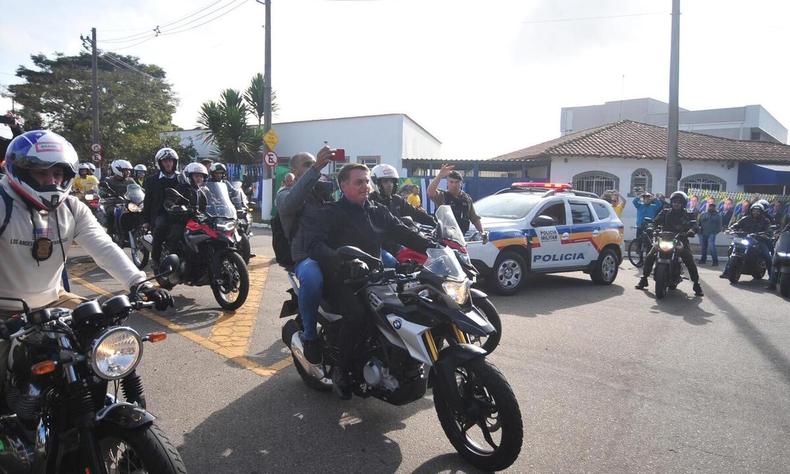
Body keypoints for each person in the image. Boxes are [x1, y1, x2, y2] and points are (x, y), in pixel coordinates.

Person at [0, 130, 172, 387]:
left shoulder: (71, 207)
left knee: (101, 345)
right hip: (4, 311)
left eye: (57, 174)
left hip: (52, 300)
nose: (51, 182)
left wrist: (140, 283)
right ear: (22, 171)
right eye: (42, 173)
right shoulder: (3, 202)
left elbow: (103, 246)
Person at [301, 163, 433, 399]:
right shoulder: (331, 212)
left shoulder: (376, 210)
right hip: (342, 278)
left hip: (375, 276)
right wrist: (340, 261)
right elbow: (314, 245)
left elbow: (402, 231)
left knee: (408, 308)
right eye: (358, 182)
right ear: (344, 186)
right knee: (357, 316)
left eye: (367, 181)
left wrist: (433, 245)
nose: (365, 185)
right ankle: (341, 370)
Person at [275, 147, 334, 364]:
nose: (313, 166)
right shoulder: (284, 194)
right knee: (311, 276)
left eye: (314, 163)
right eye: (307, 165)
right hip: (304, 254)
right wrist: (317, 168)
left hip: (331, 250)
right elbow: (290, 203)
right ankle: (310, 336)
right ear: (295, 170)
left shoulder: (322, 192)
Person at [636, 191, 704, 296]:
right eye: (674, 202)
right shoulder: (665, 212)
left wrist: (691, 231)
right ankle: (644, 279)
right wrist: (651, 227)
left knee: (689, 259)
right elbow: (655, 221)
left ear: (683, 203)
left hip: (681, 240)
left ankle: (696, 284)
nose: (676, 204)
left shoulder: (688, 213)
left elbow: (694, 225)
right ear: (671, 202)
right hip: (664, 239)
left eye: (679, 202)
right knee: (650, 255)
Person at [370, 164, 435, 265]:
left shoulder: (396, 200)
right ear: (375, 182)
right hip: (381, 247)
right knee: (391, 262)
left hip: (399, 243)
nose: (389, 184)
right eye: (385, 181)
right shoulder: (371, 203)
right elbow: (396, 228)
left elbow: (416, 213)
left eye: (392, 181)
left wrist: (435, 222)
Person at [142, 147, 180, 270]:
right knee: (161, 228)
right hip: (161, 213)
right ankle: (156, 260)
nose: (168, 163)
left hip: (180, 212)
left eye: (171, 160)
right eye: (165, 161)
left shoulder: (181, 178)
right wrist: (146, 220)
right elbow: (147, 201)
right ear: (160, 163)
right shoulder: (151, 180)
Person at [427, 165, 486, 240]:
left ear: (461, 183)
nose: (454, 185)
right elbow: (430, 193)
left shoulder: (466, 198)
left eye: (457, 182)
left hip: (461, 238)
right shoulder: (442, 196)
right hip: (445, 238)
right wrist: (440, 175)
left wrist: (482, 232)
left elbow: (474, 218)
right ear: (447, 183)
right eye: (451, 182)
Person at [720, 202, 773, 284]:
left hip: (758, 241)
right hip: (744, 239)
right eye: (754, 211)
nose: (755, 212)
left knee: (767, 256)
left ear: (761, 212)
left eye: (758, 211)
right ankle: (727, 272)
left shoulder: (765, 221)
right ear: (751, 211)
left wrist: (765, 233)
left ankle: (772, 277)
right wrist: (730, 229)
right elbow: (736, 224)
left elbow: (769, 230)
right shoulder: (746, 218)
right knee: (731, 249)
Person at [101, 159, 136, 234]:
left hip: (128, 203)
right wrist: (106, 194)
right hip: (112, 203)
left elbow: (138, 189)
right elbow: (102, 191)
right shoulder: (109, 180)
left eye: (128, 170)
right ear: (118, 170)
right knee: (111, 213)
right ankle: (110, 234)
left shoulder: (130, 180)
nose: (128, 172)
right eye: (126, 170)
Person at [697, 202, 723, 266]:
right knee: (703, 247)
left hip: (712, 234)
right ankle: (703, 260)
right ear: (708, 207)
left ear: (715, 208)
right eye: (710, 206)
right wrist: (699, 231)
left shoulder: (718, 215)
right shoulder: (703, 214)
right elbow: (699, 223)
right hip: (703, 233)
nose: (711, 208)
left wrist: (715, 232)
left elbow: (719, 226)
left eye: (713, 206)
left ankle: (715, 261)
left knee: (712, 247)